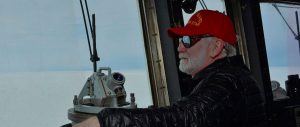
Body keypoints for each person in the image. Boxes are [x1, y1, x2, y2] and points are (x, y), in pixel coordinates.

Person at [73, 9, 266, 127]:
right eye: (181, 39)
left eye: (189, 40)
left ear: (216, 47)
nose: (180, 47)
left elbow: (187, 118)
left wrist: (104, 122)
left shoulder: (227, 83)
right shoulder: (232, 76)